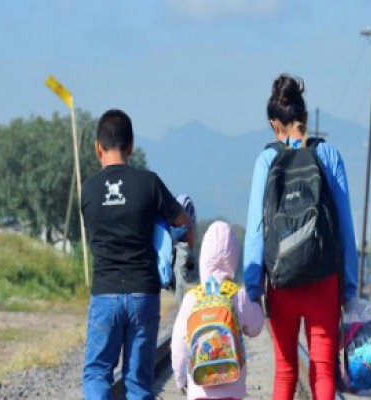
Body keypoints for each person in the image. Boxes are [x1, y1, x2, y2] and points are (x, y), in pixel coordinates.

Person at [243, 74, 359, 399]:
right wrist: (349, 288)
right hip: (324, 281)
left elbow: (256, 229)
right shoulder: (329, 155)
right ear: (305, 118)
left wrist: (253, 289)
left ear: (273, 124)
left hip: (282, 284)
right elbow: (345, 228)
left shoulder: (267, 159)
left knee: (285, 371)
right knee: (322, 370)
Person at [81, 109, 194, 400]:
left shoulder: (89, 190)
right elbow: (183, 222)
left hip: (104, 293)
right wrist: (185, 258)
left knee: (97, 373)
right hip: (143, 293)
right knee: (137, 382)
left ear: (97, 147)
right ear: (131, 145)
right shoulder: (149, 183)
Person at [171, 221, 264, 400]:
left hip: (200, 388)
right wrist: (256, 301)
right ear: (234, 257)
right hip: (232, 388)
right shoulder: (237, 295)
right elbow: (256, 327)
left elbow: (179, 343)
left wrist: (181, 378)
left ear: (204, 257)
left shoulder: (193, 297)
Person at [172, 194, 199, 304]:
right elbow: (191, 228)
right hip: (184, 246)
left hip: (176, 246)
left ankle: (178, 306)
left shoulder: (174, 206)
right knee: (180, 279)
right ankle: (179, 306)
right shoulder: (188, 206)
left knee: (178, 281)